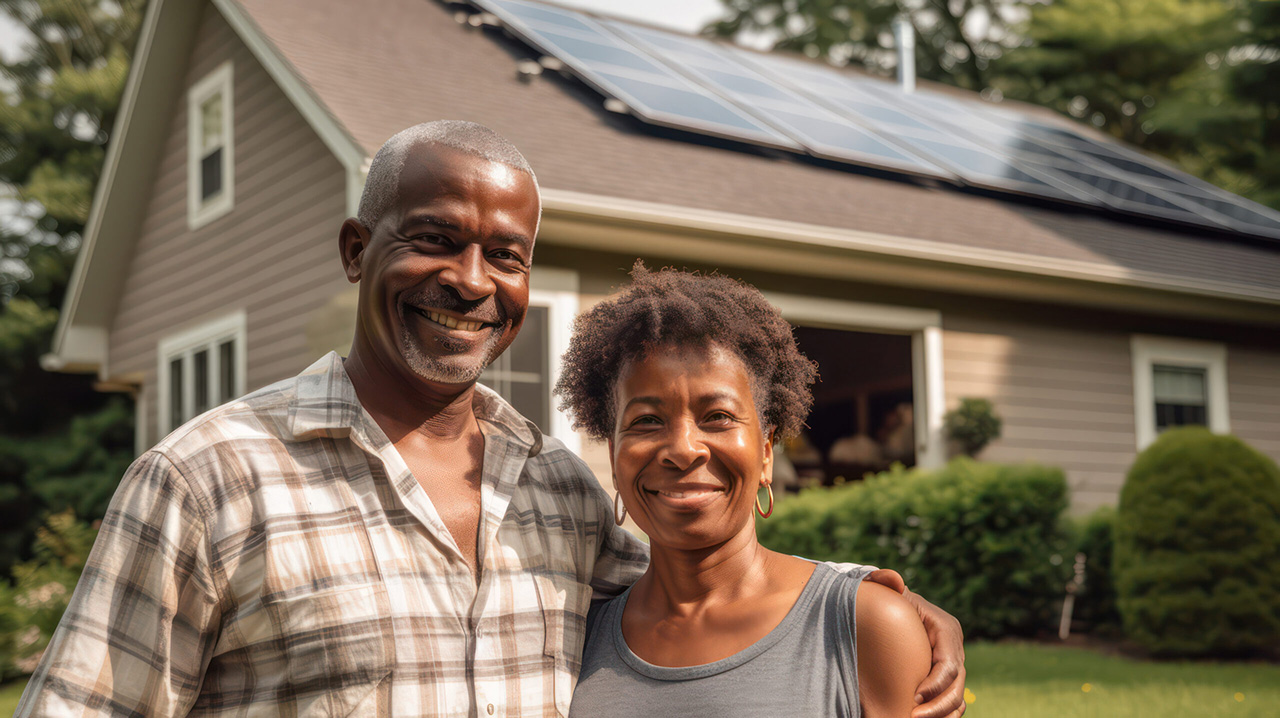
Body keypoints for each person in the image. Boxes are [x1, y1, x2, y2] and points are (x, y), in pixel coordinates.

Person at [17, 122, 964, 717]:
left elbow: (708, 584)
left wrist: (870, 604)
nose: (470, 282)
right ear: (357, 250)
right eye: (433, 239)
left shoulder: (557, 490)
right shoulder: (205, 478)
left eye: (504, 256)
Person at [561, 264, 933, 717]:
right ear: (615, 455)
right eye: (646, 421)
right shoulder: (576, 639)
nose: (683, 449)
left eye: (717, 416)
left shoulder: (865, 625)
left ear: (766, 453)